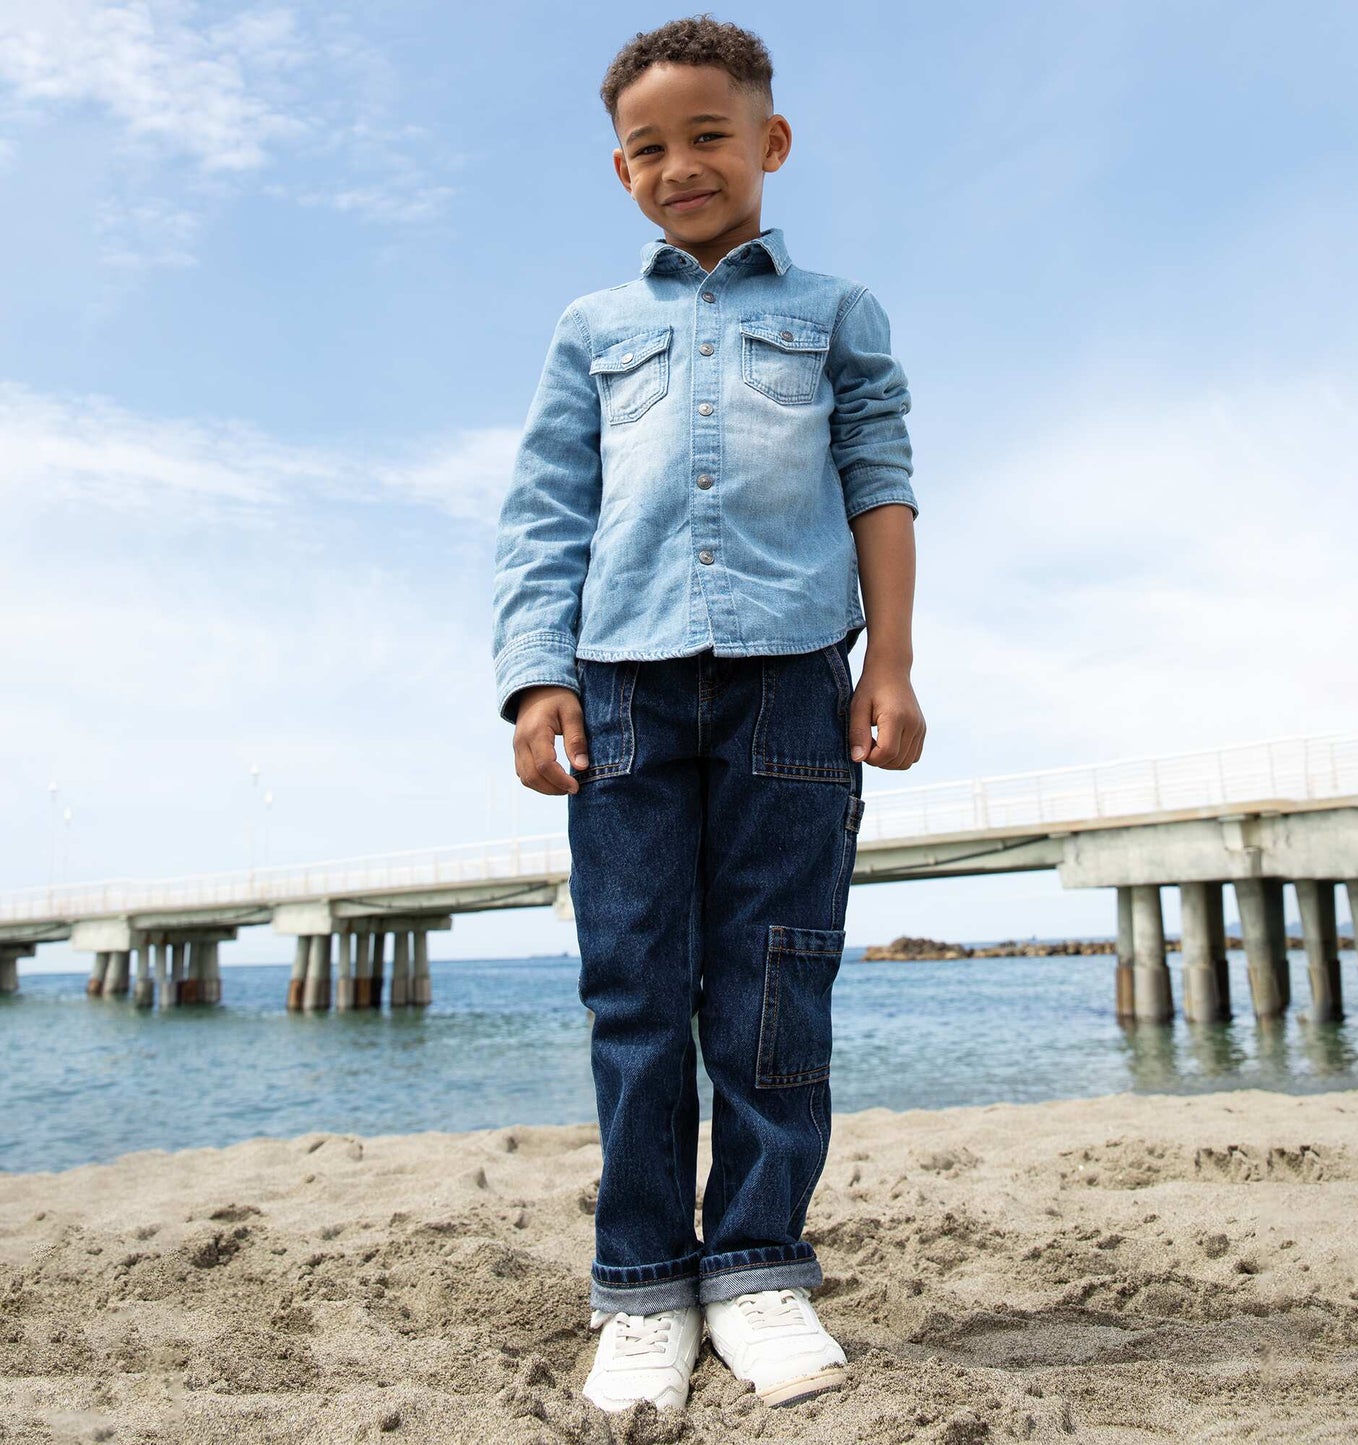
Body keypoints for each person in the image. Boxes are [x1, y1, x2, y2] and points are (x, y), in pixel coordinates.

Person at [490, 14, 924, 1415]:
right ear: (619, 170)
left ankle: (752, 1266)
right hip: (618, 684)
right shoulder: (591, 330)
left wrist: (891, 662)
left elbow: (879, 483)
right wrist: (535, 674)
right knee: (632, 986)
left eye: (706, 137)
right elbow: (546, 510)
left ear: (769, 144)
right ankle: (637, 1286)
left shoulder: (835, 314)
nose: (678, 164)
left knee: (776, 978)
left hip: (794, 678)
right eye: (647, 147)